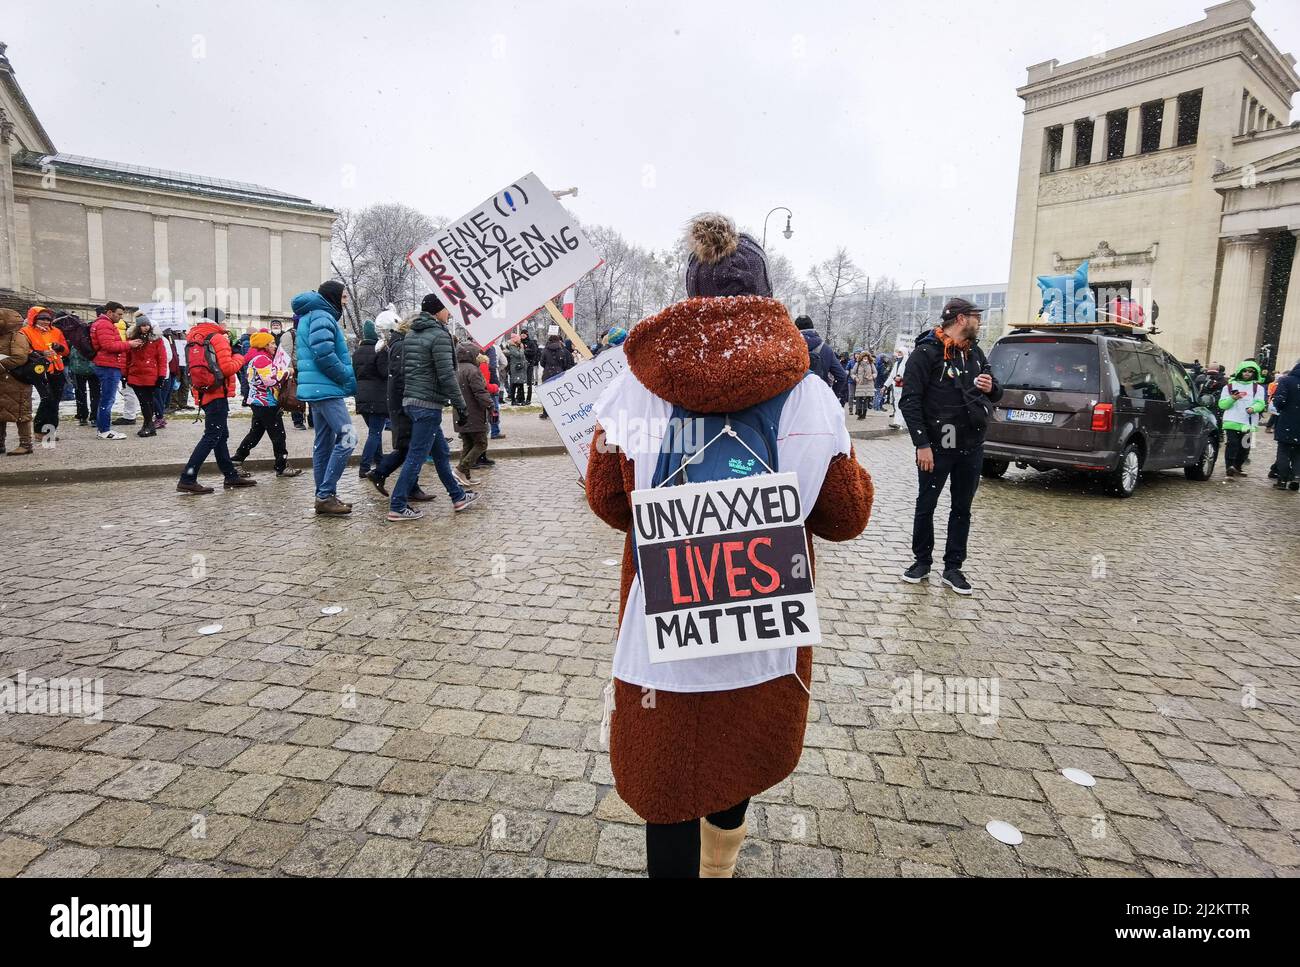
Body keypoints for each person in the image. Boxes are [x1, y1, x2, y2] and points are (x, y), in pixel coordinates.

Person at [587, 213, 873, 879]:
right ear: (766, 296)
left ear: (690, 291)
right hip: (761, 628)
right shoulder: (811, 396)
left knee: (668, 788)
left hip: (663, 628)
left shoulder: (634, 389)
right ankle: (720, 870)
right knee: (734, 754)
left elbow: (608, 501)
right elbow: (846, 513)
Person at [899, 297, 1002, 596]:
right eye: (975, 317)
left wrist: (991, 388)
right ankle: (921, 562)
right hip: (938, 443)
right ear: (960, 319)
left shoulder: (976, 353)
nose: (979, 323)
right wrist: (921, 444)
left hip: (971, 444)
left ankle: (953, 567)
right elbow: (910, 401)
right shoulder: (925, 354)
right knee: (926, 504)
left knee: (962, 508)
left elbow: (996, 391)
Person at [387, 294, 479, 522]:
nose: (449, 313)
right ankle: (397, 505)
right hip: (428, 405)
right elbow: (447, 375)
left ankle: (458, 496)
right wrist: (461, 405)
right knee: (416, 457)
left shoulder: (411, 335)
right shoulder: (439, 335)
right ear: (437, 311)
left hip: (412, 401)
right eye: (447, 309)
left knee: (441, 452)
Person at [293, 281, 357, 515]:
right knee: (349, 438)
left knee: (324, 443)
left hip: (317, 389)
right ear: (332, 296)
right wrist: (344, 374)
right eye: (343, 295)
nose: (346, 299)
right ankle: (325, 493)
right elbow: (323, 353)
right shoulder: (322, 316)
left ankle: (324, 495)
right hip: (326, 388)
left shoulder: (313, 315)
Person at [177, 308, 256, 495]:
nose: (225, 324)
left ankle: (230, 475)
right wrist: (239, 356)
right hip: (217, 392)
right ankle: (187, 478)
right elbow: (228, 368)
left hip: (203, 391)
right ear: (218, 321)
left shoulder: (193, 335)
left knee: (220, 436)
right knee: (212, 435)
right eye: (224, 320)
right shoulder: (216, 337)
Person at [366, 314, 436, 505]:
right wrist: (410, 399)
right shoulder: (401, 344)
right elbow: (400, 376)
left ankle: (410, 487)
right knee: (409, 447)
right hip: (403, 403)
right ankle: (380, 473)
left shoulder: (400, 343)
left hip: (404, 401)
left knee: (411, 446)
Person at [233, 330, 301, 478]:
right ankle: (281, 466)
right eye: (271, 343)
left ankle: (236, 461)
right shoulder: (261, 359)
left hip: (260, 402)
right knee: (278, 435)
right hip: (265, 404)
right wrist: (287, 372)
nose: (274, 346)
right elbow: (270, 380)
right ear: (264, 345)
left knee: (255, 434)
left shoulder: (262, 358)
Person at [89, 301, 139, 440]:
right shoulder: (104, 324)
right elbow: (109, 345)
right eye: (119, 314)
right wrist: (129, 344)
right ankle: (104, 430)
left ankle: (103, 428)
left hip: (107, 364)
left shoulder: (103, 323)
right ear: (109, 312)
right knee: (107, 399)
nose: (121, 317)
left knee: (106, 398)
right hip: (108, 365)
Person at [20, 306, 69, 442]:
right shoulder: (25, 331)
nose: (46, 321)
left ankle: (49, 432)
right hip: (39, 370)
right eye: (42, 318)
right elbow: (23, 350)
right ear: (34, 318)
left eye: (48, 319)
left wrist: (59, 347)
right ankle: (39, 430)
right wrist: (41, 353)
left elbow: (66, 351)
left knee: (56, 401)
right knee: (47, 399)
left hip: (57, 368)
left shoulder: (56, 331)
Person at [453, 342, 496, 486]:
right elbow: (480, 392)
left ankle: (464, 476)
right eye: (476, 354)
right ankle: (460, 470)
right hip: (473, 413)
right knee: (481, 443)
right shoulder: (472, 370)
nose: (479, 356)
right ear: (470, 354)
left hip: (460, 413)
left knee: (468, 444)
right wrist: (490, 406)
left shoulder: (457, 369)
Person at [352, 320, 389, 479]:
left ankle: (380, 463)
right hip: (378, 397)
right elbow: (384, 372)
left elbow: (355, 374)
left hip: (362, 396)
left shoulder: (356, 352)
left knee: (376, 432)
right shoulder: (379, 351)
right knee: (375, 433)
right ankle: (364, 467)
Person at [1220, 360, 1267, 478]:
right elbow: (1222, 405)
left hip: (1249, 421)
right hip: (1232, 420)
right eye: (1245, 371)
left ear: (1254, 373)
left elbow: (1261, 403)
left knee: (1245, 447)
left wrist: (1253, 408)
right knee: (1232, 444)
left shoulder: (1258, 388)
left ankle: (1238, 467)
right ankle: (1229, 466)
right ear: (1240, 372)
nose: (1247, 373)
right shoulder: (1229, 386)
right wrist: (1233, 398)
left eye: (1250, 372)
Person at [124, 317, 168, 438]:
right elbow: (126, 358)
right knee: (144, 402)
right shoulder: (132, 339)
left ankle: (148, 425)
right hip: (135, 375)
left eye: (147, 325)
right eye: (143, 325)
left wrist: (161, 376)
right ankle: (148, 425)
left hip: (151, 376)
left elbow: (162, 359)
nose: (146, 327)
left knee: (147, 401)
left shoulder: (157, 340)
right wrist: (124, 374)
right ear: (138, 327)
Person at [0, 309, 35, 455]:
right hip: (3, 382)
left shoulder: (17, 336)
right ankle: (0, 444)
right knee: (1, 413)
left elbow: (20, 358)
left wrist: (1, 366)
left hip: (15, 382)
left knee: (21, 413)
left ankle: (26, 444)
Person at [1271, 358, 1300, 491]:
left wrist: (1281, 409)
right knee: (1298, 453)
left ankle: (1282, 480)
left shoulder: (1287, 380)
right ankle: (1296, 477)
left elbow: (1279, 401)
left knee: (1283, 451)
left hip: (1288, 420)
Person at [537, 325, 573, 420]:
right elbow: (565, 363)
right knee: (559, 394)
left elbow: (542, 363)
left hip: (547, 374)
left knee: (547, 394)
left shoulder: (545, 350)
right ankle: (559, 412)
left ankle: (545, 412)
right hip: (559, 373)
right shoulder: (562, 350)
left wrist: (548, 367)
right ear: (558, 341)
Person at [505, 335, 528, 406]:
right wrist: (522, 349)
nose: (520, 341)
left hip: (519, 367)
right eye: (519, 339)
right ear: (516, 340)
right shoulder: (512, 347)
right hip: (516, 368)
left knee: (519, 384)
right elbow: (519, 355)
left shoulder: (516, 346)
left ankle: (520, 400)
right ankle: (514, 400)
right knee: (515, 384)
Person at [521, 327, 540, 403]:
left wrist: (525, 351)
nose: (522, 335)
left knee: (529, 383)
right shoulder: (519, 342)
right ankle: (521, 398)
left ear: (526, 335)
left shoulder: (531, 342)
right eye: (521, 334)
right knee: (521, 383)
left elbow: (534, 352)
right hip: (521, 365)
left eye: (524, 334)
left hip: (529, 364)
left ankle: (528, 399)